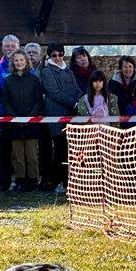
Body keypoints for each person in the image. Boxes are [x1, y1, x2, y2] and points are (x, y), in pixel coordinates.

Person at [39, 43, 81, 193]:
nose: (57, 57)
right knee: (59, 150)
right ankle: (53, 182)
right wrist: (73, 102)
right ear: (49, 56)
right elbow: (54, 91)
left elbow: (77, 89)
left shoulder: (68, 71)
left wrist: (79, 101)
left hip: (71, 115)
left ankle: (66, 181)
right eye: (54, 55)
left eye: (60, 54)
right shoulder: (46, 71)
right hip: (56, 115)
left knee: (69, 150)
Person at [1, 50, 43, 191]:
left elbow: (38, 100)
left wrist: (31, 117)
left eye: (21, 60)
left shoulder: (34, 80)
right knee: (17, 156)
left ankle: (33, 181)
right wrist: (14, 117)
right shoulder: (8, 81)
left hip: (31, 123)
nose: (19, 62)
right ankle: (20, 181)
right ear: (13, 63)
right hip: (15, 124)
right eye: (16, 60)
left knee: (32, 156)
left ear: (26, 61)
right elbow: (5, 101)